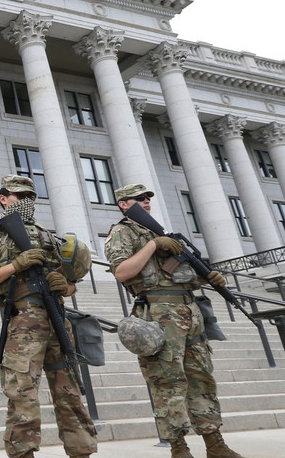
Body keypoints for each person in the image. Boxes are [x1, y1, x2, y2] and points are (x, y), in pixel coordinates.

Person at [104, 183, 245, 458]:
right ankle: (179, 448)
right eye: (140, 199)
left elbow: (187, 272)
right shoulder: (121, 232)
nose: (146, 202)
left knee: (201, 378)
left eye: (148, 199)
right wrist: (153, 245)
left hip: (189, 311)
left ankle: (215, 444)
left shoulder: (163, 232)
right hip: (157, 312)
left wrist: (209, 278)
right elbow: (121, 271)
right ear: (124, 204)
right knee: (168, 381)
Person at [0, 175, 96, 458]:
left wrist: (65, 285)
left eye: (30, 196)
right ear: (3, 199)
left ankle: (81, 452)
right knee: (22, 396)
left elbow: (70, 281)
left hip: (57, 318)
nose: (26, 201)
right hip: (24, 323)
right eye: (19, 196)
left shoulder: (48, 235)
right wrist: (16, 265)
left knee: (71, 395)